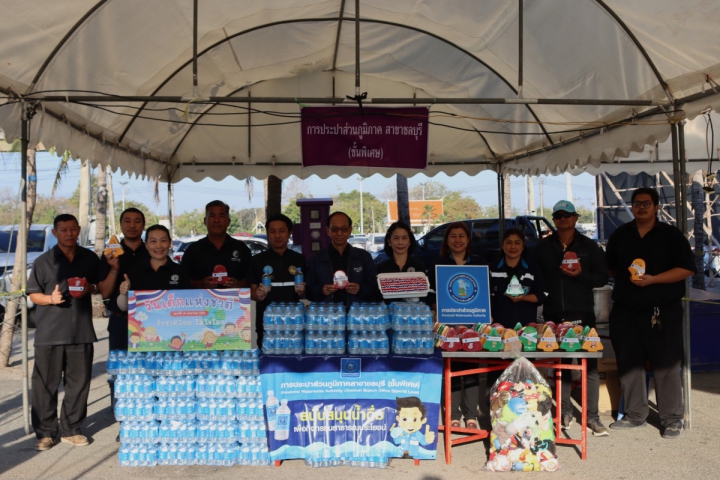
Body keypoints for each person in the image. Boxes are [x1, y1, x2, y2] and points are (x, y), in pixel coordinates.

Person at [605, 187, 694, 439]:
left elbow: (687, 269)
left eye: (646, 203)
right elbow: (612, 268)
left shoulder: (671, 235)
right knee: (629, 363)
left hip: (663, 311)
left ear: (656, 207)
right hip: (625, 310)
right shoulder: (621, 235)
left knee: (666, 365)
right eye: (636, 203)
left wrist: (654, 280)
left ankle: (672, 419)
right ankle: (635, 415)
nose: (641, 207)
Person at [532, 200, 610, 437]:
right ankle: (564, 412)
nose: (563, 218)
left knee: (589, 366)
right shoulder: (543, 246)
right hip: (554, 315)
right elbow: (534, 277)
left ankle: (593, 417)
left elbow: (602, 277)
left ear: (576, 218)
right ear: (554, 220)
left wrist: (580, 275)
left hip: (583, 313)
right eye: (558, 215)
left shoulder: (589, 246)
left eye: (567, 215)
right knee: (561, 367)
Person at [26, 214, 100, 451]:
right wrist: (50, 299)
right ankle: (46, 433)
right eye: (63, 230)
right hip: (50, 333)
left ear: (79, 230)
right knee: (44, 386)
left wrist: (91, 287)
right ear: (55, 233)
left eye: (73, 229)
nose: (69, 234)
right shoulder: (43, 261)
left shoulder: (89, 258)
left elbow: (100, 286)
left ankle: (71, 430)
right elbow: (33, 294)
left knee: (79, 384)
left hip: (81, 331)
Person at [427, 222, 486, 430]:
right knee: (451, 368)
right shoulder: (438, 264)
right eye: (453, 236)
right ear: (447, 240)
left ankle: (471, 416)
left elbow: (484, 295)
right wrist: (440, 308)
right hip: (448, 326)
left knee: (470, 369)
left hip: (472, 326)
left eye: (461, 236)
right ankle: (453, 414)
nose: (457, 240)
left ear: (468, 240)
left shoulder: (479, 264)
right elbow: (430, 295)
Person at [249, 214, 307, 346]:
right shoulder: (257, 260)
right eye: (272, 231)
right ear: (268, 234)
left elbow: (305, 291)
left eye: (281, 231)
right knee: (267, 357)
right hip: (267, 323)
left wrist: (302, 292)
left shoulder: (299, 259)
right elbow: (252, 293)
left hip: (293, 322)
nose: (277, 235)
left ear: (289, 233)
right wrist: (257, 295)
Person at [98, 207, 149, 351]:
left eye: (137, 221)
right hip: (120, 321)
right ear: (121, 225)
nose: (132, 225)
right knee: (120, 364)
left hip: (150, 320)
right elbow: (105, 293)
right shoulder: (110, 254)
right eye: (127, 221)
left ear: (143, 225)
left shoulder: (152, 252)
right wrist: (114, 269)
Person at [306, 211, 379, 305]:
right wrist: (322, 290)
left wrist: (360, 289)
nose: (339, 233)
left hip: (356, 311)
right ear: (328, 230)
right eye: (334, 229)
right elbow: (308, 292)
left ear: (350, 230)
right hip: (327, 312)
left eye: (344, 229)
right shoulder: (316, 259)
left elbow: (375, 289)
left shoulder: (364, 257)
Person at [180, 200, 251, 289]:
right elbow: (182, 280)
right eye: (212, 216)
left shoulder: (241, 249)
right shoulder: (193, 250)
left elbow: (252, 280)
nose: (216, 220)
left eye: (221, 216)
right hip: (202, 298)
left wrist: (238, 285)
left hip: (234, 298)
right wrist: (200, 284)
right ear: (205, 221)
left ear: (228, 221)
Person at [117, 225, 190, 305]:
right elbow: (123, 307)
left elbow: (188, 302)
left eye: (163, 240)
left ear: (169, 243)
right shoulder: (135, 271)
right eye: (153, 241)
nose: (159, 246)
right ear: (146, 245)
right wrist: (123, 293)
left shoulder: (181, 271)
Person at [489, 228, 546, 328]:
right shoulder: (491, 270)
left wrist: (523, 297)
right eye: (508, 242)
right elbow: (485, 299)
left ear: (523, 246)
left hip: (526, 329)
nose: (513, 246)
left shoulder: (533, 269)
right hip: (497, 330)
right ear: (502, 245)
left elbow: (542, 295)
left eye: (517, 243)